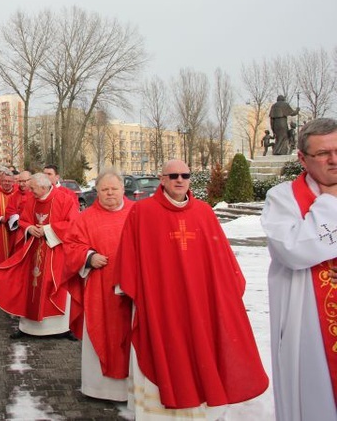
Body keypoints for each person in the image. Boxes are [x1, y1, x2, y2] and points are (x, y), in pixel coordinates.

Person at [114, 159, 268, 419]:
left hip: (201, 302)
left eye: (185, 175)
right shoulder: (143, 212)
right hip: (161, 301)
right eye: (173, 175)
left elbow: (222, 259)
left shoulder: (204, 212)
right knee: (165, 350)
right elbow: (129, 255)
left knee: (202, 349)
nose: (179, 180)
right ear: (162, 179)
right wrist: (134, 290)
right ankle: (156, 412)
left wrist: (226, 292)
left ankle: (201, 407)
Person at [261, 117, 337, 421]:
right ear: (303, 159)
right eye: (323, 153)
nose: (334, 159)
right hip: (309, 327)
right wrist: (329, 204)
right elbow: (292, 249)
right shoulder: (283, 199)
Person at [64, 170, 133, 402]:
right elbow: (71, 246)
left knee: (132, 336)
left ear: (123, 189)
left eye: (114, 188)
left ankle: (133, 389)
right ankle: (98, 388)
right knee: (101, 332)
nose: (110, 193)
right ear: (97, 191)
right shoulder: (85, 218)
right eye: (105, 189)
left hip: (134, 290)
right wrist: (89, 257)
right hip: (100, 289)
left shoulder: (138, 213)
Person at [0, 172, 79, 339]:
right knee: (29, 286)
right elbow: (24, 220)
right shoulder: (31, 200)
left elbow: (73, 224)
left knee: (54, 286)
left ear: (44, 187)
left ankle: (61, 329)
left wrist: (47, 229)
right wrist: (30, 229)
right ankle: (28, 328)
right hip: (33, 250)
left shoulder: (64, 199)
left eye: (33, 188)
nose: (30, 191)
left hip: (56, 251)